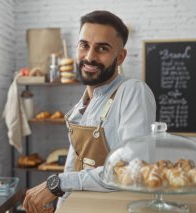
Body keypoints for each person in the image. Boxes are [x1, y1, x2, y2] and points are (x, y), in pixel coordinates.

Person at [23, 10, 156, 213]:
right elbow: (72, 170)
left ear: (120, 57)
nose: (90, 56)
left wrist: (59, 183)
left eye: (102, 48)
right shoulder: (80, 108)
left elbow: (132, 170)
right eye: (84, 45)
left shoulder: (133, 91)